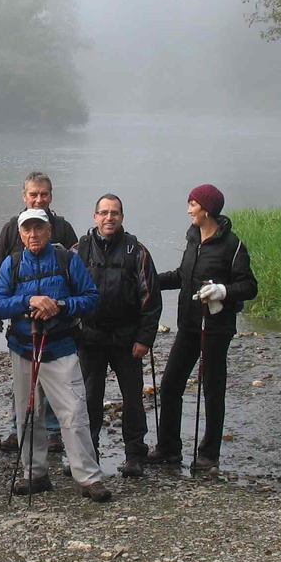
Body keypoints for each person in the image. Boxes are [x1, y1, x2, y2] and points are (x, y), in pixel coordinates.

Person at [0, 209, 112, 503]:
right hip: (23, 348)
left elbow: (91, 299)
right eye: (27, 230)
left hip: (60, 347)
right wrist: (28, 301)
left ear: (49, 231)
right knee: (27, 414)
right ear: (20, 234)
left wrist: (59, 304)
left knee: (73, 412)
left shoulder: (67, 260)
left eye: (39, 229)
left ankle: (89, 478)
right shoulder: (13, 263)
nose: (33, 235)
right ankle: (35, 474)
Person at [151, 184, 258, 475]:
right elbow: (183, 276)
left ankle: (209, 454)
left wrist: (223, 290)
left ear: (207, 209)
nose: (189, 210)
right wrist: (150, 280)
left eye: (193, 205)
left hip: (215, 328)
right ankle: (168, 449)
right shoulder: (193, 239)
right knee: (171, 384)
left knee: (212, 389)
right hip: (188, 325)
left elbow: (249, 287)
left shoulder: (232, 245)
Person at [74, 194, 162, 477]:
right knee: (89, 399)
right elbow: (66, 291)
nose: (109, 218)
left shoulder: (136, 251)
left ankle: (135, 454)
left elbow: (151, 298)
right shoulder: (79, 251)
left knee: (133, 399)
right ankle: (89, 454)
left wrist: (145, 339)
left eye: (114, 213)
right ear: (95, 216)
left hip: (127, 339)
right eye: (104, 213)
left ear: (122, 217)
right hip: (89, 338)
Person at [0, 172, 75, 451]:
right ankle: (18, 428)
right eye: (33, 194)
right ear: (24, 196)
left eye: (44, 194)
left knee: (52, 375)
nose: (39, 199)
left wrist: (70, 310)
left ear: (51, 196)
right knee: (23, 379)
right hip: (21, 319)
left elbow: (78, 270)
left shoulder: (62, 227)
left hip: (57, 321)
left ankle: (51, 430)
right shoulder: (12, 228)